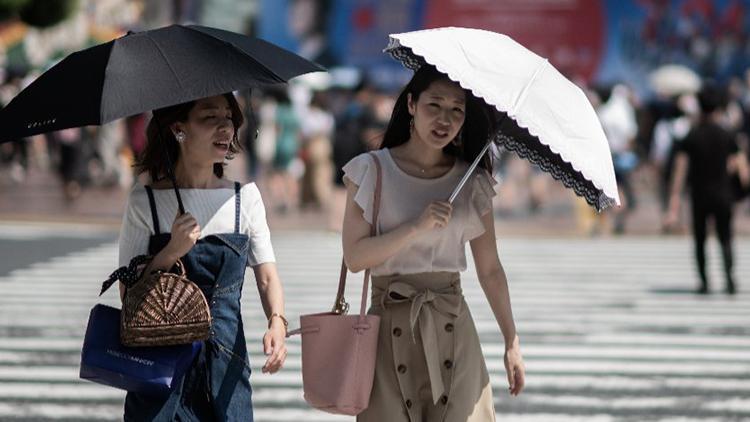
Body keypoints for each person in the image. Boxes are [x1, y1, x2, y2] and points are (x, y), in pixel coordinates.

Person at [341, 65, 525, 422]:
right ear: (411, 104)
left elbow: (490, 269)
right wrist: (415, 226)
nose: (445, 119)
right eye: (434, 105)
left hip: (453, 327)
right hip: (386, 329)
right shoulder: (371, 171)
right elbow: (355, 257)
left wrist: (511, 341)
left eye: (457, 109)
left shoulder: (472, 181)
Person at [118, 93, 287, 420]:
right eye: (210, 118)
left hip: (226, 362)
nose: (225, 127)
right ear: (179, 129)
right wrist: (171, 252)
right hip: (159, 364)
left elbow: (267, 277)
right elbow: (128, 293)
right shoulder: (145, 202)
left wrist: (276, 323)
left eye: (228, 118)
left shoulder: (244, 199)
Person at [666, 84, 749, 294]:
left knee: (700, 239)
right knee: (726, 238)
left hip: (700, 195)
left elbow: (680, 169)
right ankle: (729, 279)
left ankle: (704, 283)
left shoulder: (691, 136)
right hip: (723, 194)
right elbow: (743, 170)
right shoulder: (727, 135)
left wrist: (674, 200)